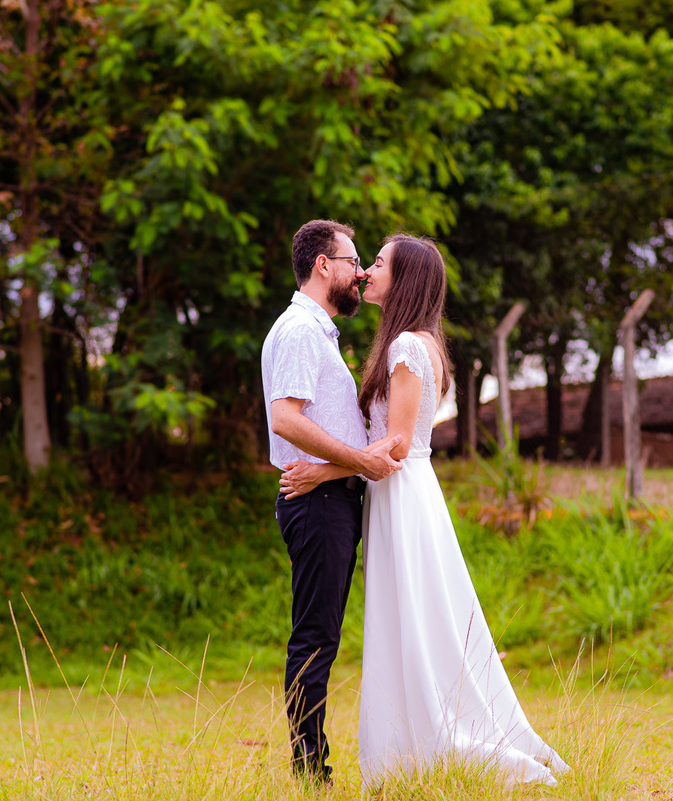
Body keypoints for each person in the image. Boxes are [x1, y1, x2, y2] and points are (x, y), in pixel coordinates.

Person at [279, 234, 567, 787]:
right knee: (408, 618)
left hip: (402, 492)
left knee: (411, 618)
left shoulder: (408, 346)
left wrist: (323, 469)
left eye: (378, 264)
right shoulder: (412, 342)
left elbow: (398, 444)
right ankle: (410, 745)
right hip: (398, 492)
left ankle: (430, 742)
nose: (366, 273)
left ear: (404, 278)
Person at [261, 219, 406, 786]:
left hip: (331, 496)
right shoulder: (299, 331)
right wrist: (358, 461)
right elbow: (285, 418)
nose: (359, 272)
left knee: (322, 634)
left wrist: (340, 466)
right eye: (351, 262)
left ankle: (311, 766)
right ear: (323, 265)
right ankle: (309, 772)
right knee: (316, 637)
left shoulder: (317, 332)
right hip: (318, 508)